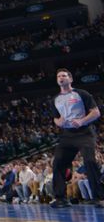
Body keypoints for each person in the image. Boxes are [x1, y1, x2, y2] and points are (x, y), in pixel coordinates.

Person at [49, 68, 104, 208]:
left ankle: (99, 197)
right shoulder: (55, 99)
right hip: (67, 135)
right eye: (58, 76)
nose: (61, 77)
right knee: (58, 163)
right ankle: (60, 198)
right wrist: (58, 122)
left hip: (85, 133)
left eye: (64, 75)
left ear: (70, 79)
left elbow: (96, 112)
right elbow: (56, 118)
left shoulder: (81, 94)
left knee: (90, 161)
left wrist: (82, 121)